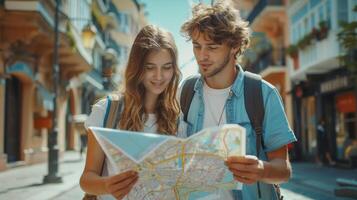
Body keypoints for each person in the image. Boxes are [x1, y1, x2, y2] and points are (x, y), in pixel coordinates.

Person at [180, 1, 297, 199]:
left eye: (212, 47)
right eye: (197, 46)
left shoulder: (263, 93)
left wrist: (261, 169)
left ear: (234, 46)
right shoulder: (186, 91)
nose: (202, 56)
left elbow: (283, 170)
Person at [79, 25, 182, 200]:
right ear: (138, 67)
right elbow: (86, 179)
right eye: (150, 67)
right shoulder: (106, 111)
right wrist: (107, 185)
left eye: (166, 67)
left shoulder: (178, 118)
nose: (159, 76)